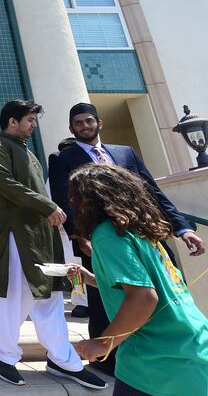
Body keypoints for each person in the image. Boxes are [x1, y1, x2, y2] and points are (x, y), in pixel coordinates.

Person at [48, 102, 205, 375]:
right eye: (78, 123)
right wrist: (81, 237)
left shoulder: (125, 153)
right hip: (99, 238)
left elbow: (152, 192)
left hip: (144, 234)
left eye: (88, 121)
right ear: (71, 128)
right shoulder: (63, 159)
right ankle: (108, 359)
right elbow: (65, 200)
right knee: (104, 298)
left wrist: (183, 229)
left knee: (166, 285)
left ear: (99, 122)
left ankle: (169, 350)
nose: (84, 126)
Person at [0, 100, 106, 389]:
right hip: (14, 234)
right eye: (29, 121)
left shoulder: (29, 154)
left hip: (42, 236)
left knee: (50, 297)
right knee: (14, 295)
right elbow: (4, 184)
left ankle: (63, 359)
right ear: (13, 121)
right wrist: (47, 205)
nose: (33, 126)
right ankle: (2, 354)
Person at [67, 164, 208, 396]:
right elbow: (147, 285)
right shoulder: (141, 229)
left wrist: (102, 343)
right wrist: (92, 279)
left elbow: (144, 297)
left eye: (76, 194)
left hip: (157, 364)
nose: (71, 201)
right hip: (193, 352)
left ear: (92, 197)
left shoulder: (106, 234)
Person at [47, 137, 89, 318]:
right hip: (68, 232)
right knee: (74, 268)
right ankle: (81, 301)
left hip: (91, 229)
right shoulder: (55, 177)